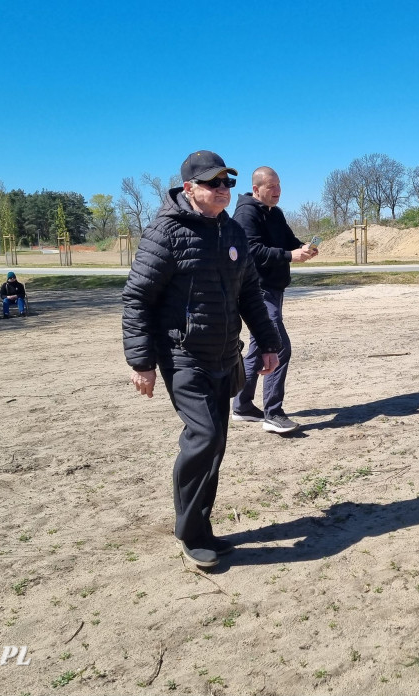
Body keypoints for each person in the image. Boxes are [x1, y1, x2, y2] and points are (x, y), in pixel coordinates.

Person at [122, 150, 282, 569]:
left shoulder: (230, 232)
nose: (223, 189)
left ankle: (202, 526)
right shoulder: (166, 232)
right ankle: (190, 532)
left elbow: (249, 293)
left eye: (227, 182)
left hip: (225, 354)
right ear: (189, 188)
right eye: (214, 183)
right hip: (181, 355)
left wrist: (267, 343)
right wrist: (142, 363)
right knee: (205, 437)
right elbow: (137, 297)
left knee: (216, 446)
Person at [231, 166, 318, 434]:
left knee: (259, 348)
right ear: (256, 189)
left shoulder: (276, 213)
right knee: (279, 346)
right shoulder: (246, 213)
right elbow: (252, 251)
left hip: (275, 289)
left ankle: (242, 406)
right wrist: (289, 256)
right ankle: (273, 413)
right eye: (271, 186)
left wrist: (303, 247)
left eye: (279, 185)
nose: (277, 191)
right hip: (258, 291)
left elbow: (288, 241)